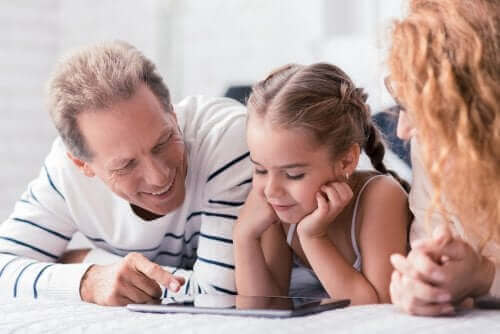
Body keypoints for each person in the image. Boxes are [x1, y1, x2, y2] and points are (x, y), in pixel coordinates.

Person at [0, 41, 252, 306]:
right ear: (81, 164)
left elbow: (219, 297)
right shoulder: (64, 174)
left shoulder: (227, 137)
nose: (159, 176)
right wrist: (88, 280)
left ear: (173, 115)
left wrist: (87, 259)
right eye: (126, 165)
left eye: (163, 142)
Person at [233, 63, 411, 305]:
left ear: (347, 160)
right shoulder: (274, 203)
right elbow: (263, 309)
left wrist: (313, 237)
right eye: (260, 169)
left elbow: (377, 308)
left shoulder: (380, 196)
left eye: (293, 174)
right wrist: (244, 238)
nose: (272, 190)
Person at [386, 0, 500, 316]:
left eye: (421, 105)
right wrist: (421, 279)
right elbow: (431, 241)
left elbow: (479, 276)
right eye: (402, 101)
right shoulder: (430, 141)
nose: (403, 129)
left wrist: (486, 276)